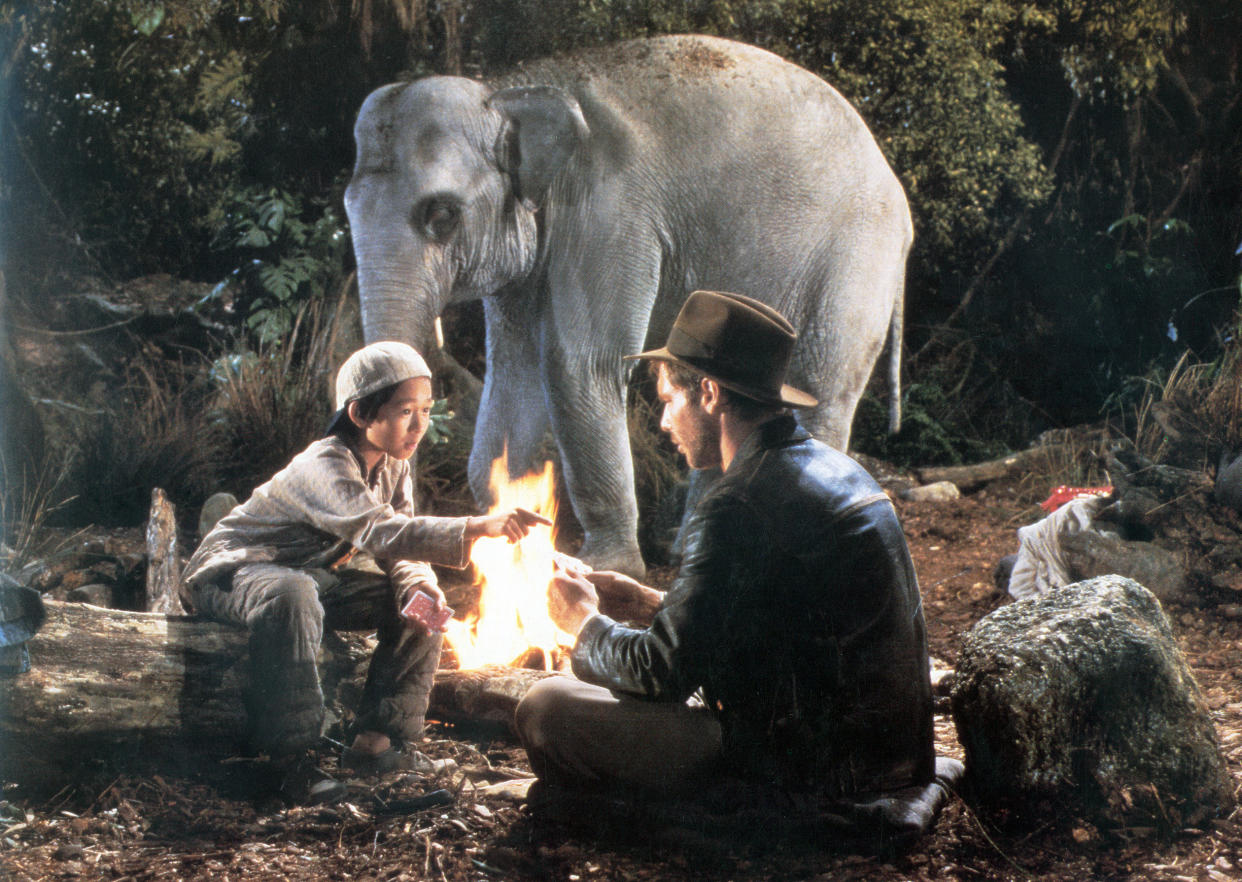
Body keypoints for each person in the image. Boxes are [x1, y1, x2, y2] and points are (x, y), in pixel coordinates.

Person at [516, 290, 937, 825]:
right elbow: (781, 622)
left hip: (810, 772)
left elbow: (660, 674)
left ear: (709, 394)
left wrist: (582, 623)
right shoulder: (834, 469)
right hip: (885, 758)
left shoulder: (737, 503)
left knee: (546, 706)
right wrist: (652, 604)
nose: (664, 422)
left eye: (669, 400)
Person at [182, 341, 548, 804]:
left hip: (307, 577)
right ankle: (287, 763)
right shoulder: (324, 464)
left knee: (423, 606)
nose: (419, 425)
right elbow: (382, 530)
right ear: (359, 414)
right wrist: (477, 526)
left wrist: (419, 585)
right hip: (235, 572)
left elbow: (402, 549)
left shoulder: (394, 462)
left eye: (426, 410)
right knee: (291, 594)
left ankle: (377, 743)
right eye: (405, 411)